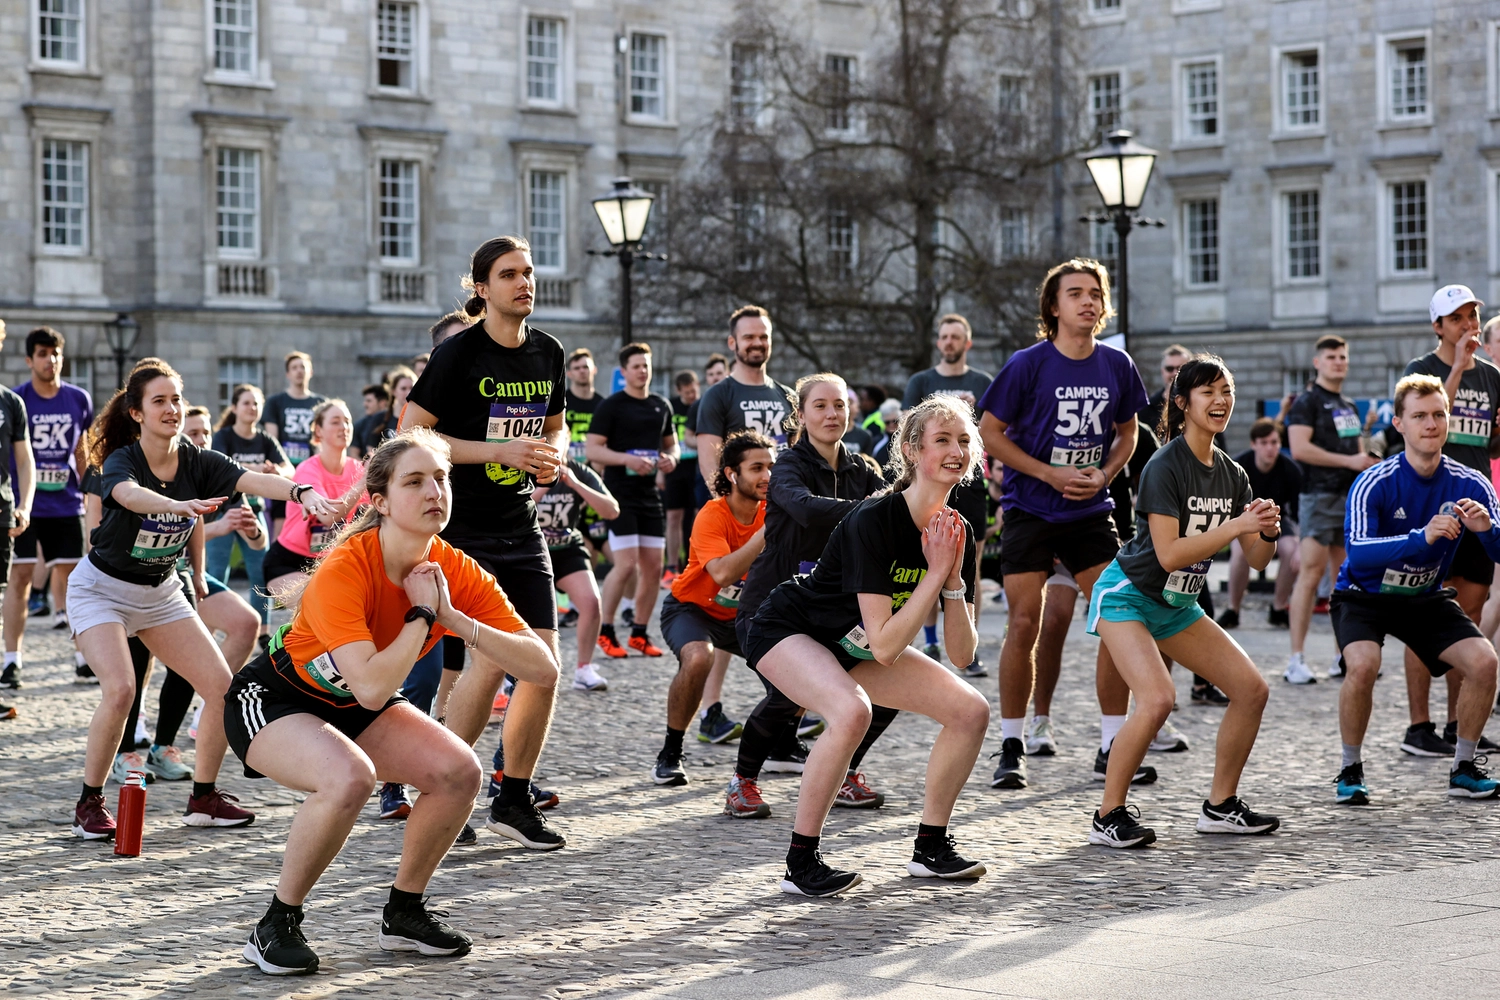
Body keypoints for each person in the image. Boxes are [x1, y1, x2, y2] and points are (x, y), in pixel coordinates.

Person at [225, 429, 557, 976]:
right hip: (275, 698)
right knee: (350, 777)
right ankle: (275, 925)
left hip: (354, 703)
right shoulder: (346, 567)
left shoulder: (454, 568)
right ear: (379, 502)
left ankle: (404, 913)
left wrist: (455, 619)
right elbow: (374, 688)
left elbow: (542, 668)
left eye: (442, 479)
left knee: (459, 772)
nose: (435, 491)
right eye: (415, 481)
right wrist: (424, 616)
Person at [68, 358, 338, 840]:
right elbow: (128, 496)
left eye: (177, 399)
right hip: (101, 590)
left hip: (160, 592)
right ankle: (89, 802)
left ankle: (203, 797)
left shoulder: (197, 459)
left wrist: (302, 490)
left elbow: (254, 480)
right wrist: (175, 505)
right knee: (123, 689)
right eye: (160, 402)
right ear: (136, 413)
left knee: (221, 688)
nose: (172, 409)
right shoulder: (123, 459)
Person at [744, 395, 991, 895]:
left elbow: (963, 654)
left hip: (852, 644)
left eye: (964, 440)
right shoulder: (874, 519)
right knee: (851, 711)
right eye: (941, 439)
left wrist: (953, 580)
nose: (955, 450)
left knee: (971, 710)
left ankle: (931, 848)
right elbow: (883, 646)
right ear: (911, 449)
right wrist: (938, 571)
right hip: (788, 628)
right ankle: (801, 861)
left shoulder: (952, 528)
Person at [401, 234, 567, 850]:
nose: (523, 283)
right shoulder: (459, 356)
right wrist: (496, 451)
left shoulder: (547, 352)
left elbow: (556, 426)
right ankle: (445, 782)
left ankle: (514, 796)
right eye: (508, 275)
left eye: (528, 273)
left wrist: (553, 461)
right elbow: (411, 433)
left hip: (521, 525)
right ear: (481, 289)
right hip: (464, 528)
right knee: (493, 657)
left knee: (543, 667)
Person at [1084, 355, 1280, 848]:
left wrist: (1267, 531)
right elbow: (1169, 554)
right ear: (1181, 403)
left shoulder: (1233, 474)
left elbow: (1257, 561)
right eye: (1208, 392)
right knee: (1158, 699)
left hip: (1177, 603)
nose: (1220, 401)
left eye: (1226, 391)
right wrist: (1236, 525)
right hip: (1127, 593)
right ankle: (1108, 815)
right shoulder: (1163, 465)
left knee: (1252, 690)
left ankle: (1220, 806)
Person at [977, 259, 1146, 788]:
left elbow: (1129, 431)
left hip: (1090, 511)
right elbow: (990, 432)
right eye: (1076, 293)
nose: (1088, 301)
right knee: (1024, 621)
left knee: (1117, 615)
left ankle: (1111, 743)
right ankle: (1011, 744)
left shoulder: (1117, 364)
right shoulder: (1028, 364)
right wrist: (1046, 473)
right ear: (1054, 306)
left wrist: (1106, 474)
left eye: (1096, 293)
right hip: (1031, 507)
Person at [728, 373, 895, 819]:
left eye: (839, 405)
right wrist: (875, 510)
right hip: (771, 609)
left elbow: (894, 519)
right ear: (801, 415)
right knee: (791, 696)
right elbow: (804, 508)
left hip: (836, 611)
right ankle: (741, 783)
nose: (831, 414)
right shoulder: (786, 466)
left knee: (890, 687)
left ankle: (845, 774)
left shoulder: (864, 470)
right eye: (820, 406)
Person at [1330, 374, 1500, 806]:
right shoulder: (1374, 481)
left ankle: (1463, 767)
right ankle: (1350, 769)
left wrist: (1487, 530)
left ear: (1449, 422)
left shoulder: (1473, 483)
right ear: (1400, 424)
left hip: (1424, 596)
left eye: (1439, 415)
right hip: (1363, 596)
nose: (1431, 423)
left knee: (1483, 663)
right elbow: (1358, 552)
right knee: (1364, 666)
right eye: (1419, 416)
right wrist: (1420, 538)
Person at [1400, 285, 1500, 753]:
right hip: (1432, 502)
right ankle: (1418, 728)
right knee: (1422, 613)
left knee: (1471, 615)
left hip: (1477, 499)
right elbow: (1429, 424)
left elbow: (1487, 443)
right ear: (1438, 326)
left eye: (1473, 316)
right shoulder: (1421, 371)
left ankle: (1460, 726)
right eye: (1457, 318)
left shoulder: (1493, 376)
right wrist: (1457, 367)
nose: (1469, 326)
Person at [652, 431, 771, 785]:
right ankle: (671, 751)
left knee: (800, 670)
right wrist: (766, 532)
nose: (767, 476)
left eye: (771, 467)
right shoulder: (713, 513)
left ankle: (781, 745)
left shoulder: (775, 509)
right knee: (699, 657)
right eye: (756, 468)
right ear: (733, 474)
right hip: (691, 610)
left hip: (743, 617)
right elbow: (721, 573)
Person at [902, 313, 994, 678]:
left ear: (967, 343)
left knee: (970, 565)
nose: (949, 342)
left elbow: (994, 432)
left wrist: (972, 412)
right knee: (926, 563)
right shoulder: (922, 380)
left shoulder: (982, 381)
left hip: (971, 483)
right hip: (929, 480)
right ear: (938, 342)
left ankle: (968, 647)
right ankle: (929, 641)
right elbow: (908, 426)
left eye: (956, 337)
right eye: (944, 336)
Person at [1284, 335, 1376, 685]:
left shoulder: (1349, 406)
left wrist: (1366, 461)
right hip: (1318, 497)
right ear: (1317, 362)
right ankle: (1296, 659)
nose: (1339, 361)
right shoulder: (1306, 402)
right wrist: (1350, 459)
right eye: (1332, 356)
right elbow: (1300, 449)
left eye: (1343, 356)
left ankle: (1343, 656)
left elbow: (1357, 453)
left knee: (1345, 579)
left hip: (1349, 498)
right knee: (1310, 574)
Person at [4, 326, 88, 685]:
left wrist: (91, 493)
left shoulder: (78, 399)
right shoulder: (18, 399)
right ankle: (12, 659)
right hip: (25, 505)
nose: (50, 360)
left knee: (73, 580)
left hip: (67, 504)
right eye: (42, 353)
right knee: (20, 577)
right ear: (28, 360)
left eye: (55, 353)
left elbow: (83, 451)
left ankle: (83, 656)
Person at [586, 342, 678, 658]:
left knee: (654, 566)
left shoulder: (660, 405)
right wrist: (626, 459)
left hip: (649, 495)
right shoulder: (612, 406)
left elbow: (673, 446)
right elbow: (592, 450)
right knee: (625, 565)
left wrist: (671, 460)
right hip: (619, 495)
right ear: (623, 372)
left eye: (646, 365)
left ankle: (639, 632)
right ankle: (607, 630)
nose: (643, 371)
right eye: (636, 366)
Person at [210, 384, 290, 645]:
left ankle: (263, 631)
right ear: (234, 408)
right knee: (216, 571)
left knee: (259, 572)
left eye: (256, 403)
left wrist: (276, 470)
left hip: (251, 512)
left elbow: (288, 469)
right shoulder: (223, 436)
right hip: (221, 512)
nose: (252, 408)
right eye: (246, 403)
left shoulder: (265, 439)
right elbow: (220, 466)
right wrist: (259, 469)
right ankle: (209, 628)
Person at [262, 400, 366, 595]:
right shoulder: (307, 469)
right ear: (318, 431)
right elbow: (327, 516)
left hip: (333, 562)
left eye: (347, 421)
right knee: (320, 602)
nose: (343, 427)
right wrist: (363, 482)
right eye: (335, 422)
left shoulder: (359, 470)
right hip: (290, 562)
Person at [534, 458, 618, 692]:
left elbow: (611, 510)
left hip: (567, 546)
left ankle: (583, 670)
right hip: (531, 548)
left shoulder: (578, 470)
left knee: (591, 602)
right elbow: (511, 510)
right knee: (526, 615)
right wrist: (543, 488)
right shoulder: (524, 467)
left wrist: (576, 484)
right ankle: (512, 680)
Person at [693, 307, 798, 493]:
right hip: (739, 509)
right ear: (732, 342)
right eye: (749, 337)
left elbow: (797, 456)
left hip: (783, 505)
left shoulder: (788, 396)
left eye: (764, 337)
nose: (757, 343)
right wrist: (725, 507)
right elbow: (709, 464)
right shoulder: (717, 396)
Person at [1219, 417, 1302, 629]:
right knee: (1239, 553)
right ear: (1253, 444)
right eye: (1264, 443)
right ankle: (1233, 609)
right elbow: (1229, 507)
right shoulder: (1239, 466)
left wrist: (1301, 543)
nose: (1270, 448)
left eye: (1274, 442)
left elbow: (1298, 513)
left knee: (1292, 550)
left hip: (1278, 519)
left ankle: (1279, 607)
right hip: (1245, 519)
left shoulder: (1291, 469)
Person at [663, 369, 702, 585]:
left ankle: (693, 561)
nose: (691, 396)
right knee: (673, 517)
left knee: (696, 518)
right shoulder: (671, 407)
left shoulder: (704, 406)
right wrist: (661, 472)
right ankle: (671, 566)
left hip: (697, 469)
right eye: (687, 392)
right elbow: (663, 440)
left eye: (694, 390)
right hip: (675, 469)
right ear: (679, 391)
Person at [262, 351, 327, 468]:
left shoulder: (321, 403)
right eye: (294, 368)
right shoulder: (274, 402)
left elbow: (325, 438)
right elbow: (272, 441)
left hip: (313, 466)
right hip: (283, 466)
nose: (299, 371)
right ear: (288, 374)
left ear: (311, 372)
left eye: (303, 367)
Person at [564, 348, 601, 465]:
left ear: (594, 370)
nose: (582, 371)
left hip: (595, 466)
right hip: (565, 464)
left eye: (585, 367)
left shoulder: (603, 404)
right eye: (577, 368)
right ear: (569, 373)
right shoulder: (560, 401)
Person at [352, 384, 391, 459]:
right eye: (365, 401)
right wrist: (366, 469)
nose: (365, 404)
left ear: (382, 403)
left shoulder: (394, 420)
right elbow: (354, 454)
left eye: (369, 401)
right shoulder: (359, 425)